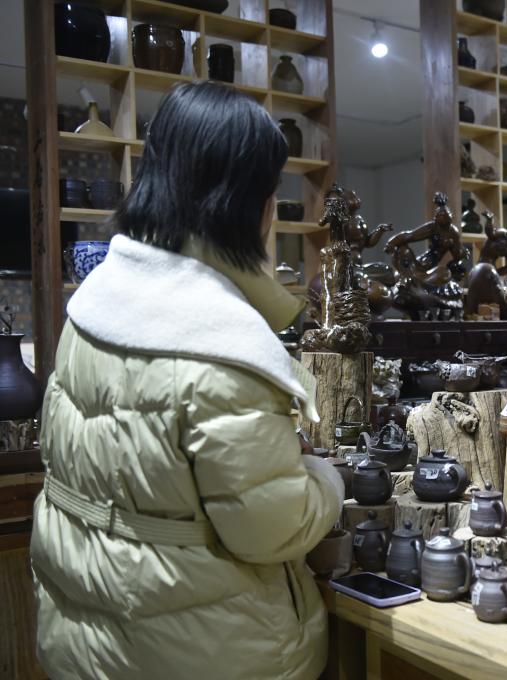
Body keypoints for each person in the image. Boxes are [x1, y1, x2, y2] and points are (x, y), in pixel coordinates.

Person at [30, 82, 344, 680]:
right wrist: (325, 478)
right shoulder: (219, 345)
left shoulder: (93, 306)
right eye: (270, 192)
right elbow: (272, 531)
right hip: (205, 653)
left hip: (86, 639)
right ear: (247, 204)